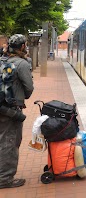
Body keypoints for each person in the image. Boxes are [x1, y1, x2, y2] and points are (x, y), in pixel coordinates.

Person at [0, 34, 34, 189]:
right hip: (11, 110)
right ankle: (5, 179)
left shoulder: (2, 60)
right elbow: (28, 88)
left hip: (2, 107)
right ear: (22, 47)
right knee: (10, 142)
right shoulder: (22, 63)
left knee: (3, 140)